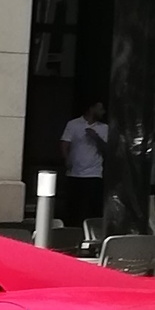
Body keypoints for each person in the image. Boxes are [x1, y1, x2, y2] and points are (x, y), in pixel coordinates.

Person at [57, 101, 110, 238]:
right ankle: (71, 235)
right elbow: (65, 143)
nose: (103, 112)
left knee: (93, 209)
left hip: (94, 174)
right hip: (75, 173)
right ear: (91, 108)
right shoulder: (73, 124)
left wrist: (96, 138)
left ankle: (93, 237)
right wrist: (67, 159)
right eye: (100, 108)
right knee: (73, 208)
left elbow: (108, 150)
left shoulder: (104, 128)